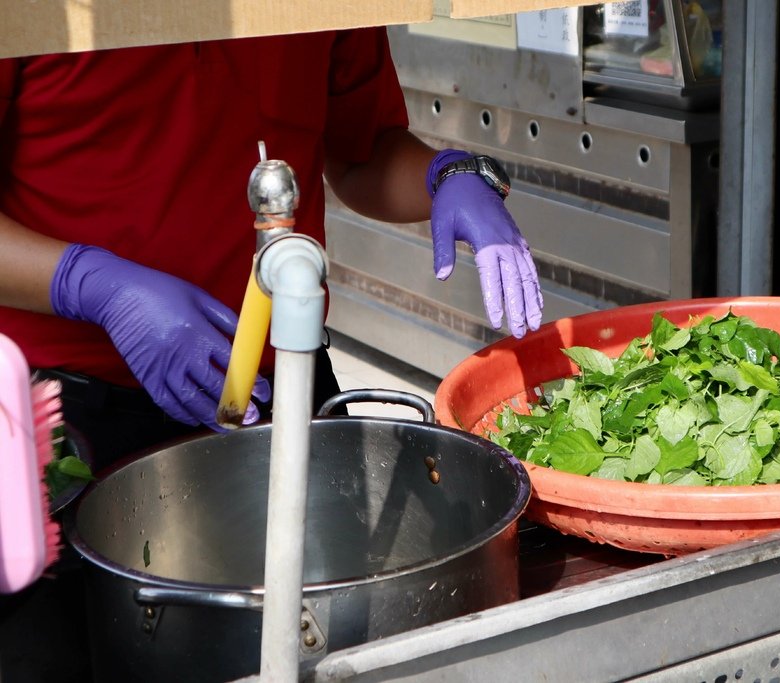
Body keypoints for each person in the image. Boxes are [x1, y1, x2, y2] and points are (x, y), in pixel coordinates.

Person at [0, 27, 543, 682]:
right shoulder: (34, 16)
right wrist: (91, 283)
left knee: (329, 640)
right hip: (59, 412)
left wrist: (448, 176)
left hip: (278, 386)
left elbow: (363, 152)